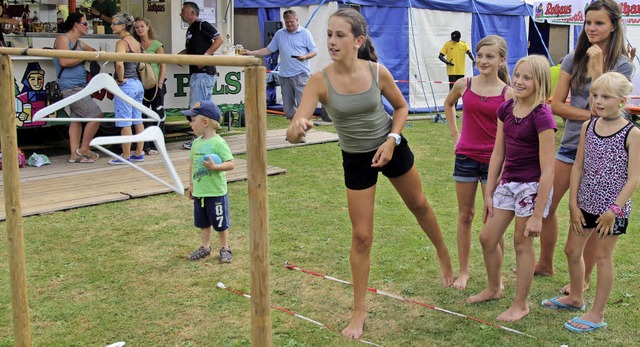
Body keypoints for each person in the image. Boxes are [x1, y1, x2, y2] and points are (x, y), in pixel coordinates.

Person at [286, 8, 454, 339]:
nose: (331, 41)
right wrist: (297, 128)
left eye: (340, 35)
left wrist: (392, 140)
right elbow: (294, 132)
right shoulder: (319, 81)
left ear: (358, 41)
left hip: (390, 146)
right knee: (362, 235)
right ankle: (359, 310)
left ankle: (443, 255)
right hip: (356, 158)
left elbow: (401, 107)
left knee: (420, 206)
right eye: (330, 34)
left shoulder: (377, 72)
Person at [538, 0, 634, 291]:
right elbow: (556, 104)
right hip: (570, 147)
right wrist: (589, 115)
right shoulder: (571, 58)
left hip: (605, 152)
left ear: (613, 26)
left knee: (591, 216)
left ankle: (584, 278)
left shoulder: (623, 65)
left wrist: (596, 68)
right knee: (546, 205)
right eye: (588, 22)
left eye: (599, 23)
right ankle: (545, 262)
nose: (592, 28)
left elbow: (606, 103)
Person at [541, 72, 640, 332]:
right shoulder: (589, 127)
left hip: (612, 211)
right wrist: (573, 204)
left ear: (621, 100)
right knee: (572, 251)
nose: (597, 101)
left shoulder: (633, 134)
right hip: (584, 204)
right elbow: (578, 167)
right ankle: (576, 297)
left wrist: (613, 211)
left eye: (605, 97)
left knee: (602, 257)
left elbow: (634, 179)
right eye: (594, 95)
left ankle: (597, 313)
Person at [466, 55, 556, 322]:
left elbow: (548, 169)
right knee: (487, 238)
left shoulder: (542, 116)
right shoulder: (506, 109)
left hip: (532, 186)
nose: (519, 81)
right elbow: (497, 153)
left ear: (539, 82)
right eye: (517, 75)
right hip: (508, 183)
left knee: (521, 242)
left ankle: (521, 304)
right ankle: (494, 288)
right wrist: (490, 192)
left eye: (527, 77)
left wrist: (539, 214)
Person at [443, 35, 513, 290]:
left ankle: (497, 276)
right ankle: (464, 272)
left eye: (490, 56)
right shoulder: (464, 84)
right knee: (465, 215)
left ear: (501, 60)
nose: (483, 61)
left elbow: (514, 131)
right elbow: (449, 104)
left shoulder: (509, 93)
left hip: (495, 163)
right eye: (480, 56)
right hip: (465, 158)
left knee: (493, 220)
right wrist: (455, 135)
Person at [184, 101, 235, 263]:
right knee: (203, 222)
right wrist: (191, 185)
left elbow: (231, 163)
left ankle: (225, 248)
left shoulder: (219, 143)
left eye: (193, 120)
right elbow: (192, 165)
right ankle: (205, 247)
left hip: (216, 192)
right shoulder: (196, 143)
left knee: (220, 223)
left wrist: (215, 166)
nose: (190, 123)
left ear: (205, 122)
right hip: (200, 192)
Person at [245, 10, 317, 120]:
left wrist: (305, 57)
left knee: (303, 107)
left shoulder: (305, 33)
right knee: (288, 110)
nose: (289, 24)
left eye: (291, 22)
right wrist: (251, 53)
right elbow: (269, 50)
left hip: (301, 74)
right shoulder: (280, 34)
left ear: (297, 20)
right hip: (284, 76)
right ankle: (295, 129)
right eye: (287, 22)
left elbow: (314, 51)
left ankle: (299, 133)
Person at [53, 12, 103, 163]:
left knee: (76, 119)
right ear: (76, 24)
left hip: (80, 85)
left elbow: (93, 52)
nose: (88, 27)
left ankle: (74, 155)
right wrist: (84, 56)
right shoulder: (63, 39)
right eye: (85, 24)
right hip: (70, 86)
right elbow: (64, 61)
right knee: (96, 115)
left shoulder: (79, 43)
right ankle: (84, 148)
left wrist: (90, 54)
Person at [179, 1, 224, 150]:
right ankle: (205, 139)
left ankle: (201, 139)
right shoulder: (190, 29)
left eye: (183, 11)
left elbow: (219, 39)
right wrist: (180, 57)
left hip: (204, 74)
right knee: (198, 107)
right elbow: (191, 49)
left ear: (192, 12)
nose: (180, 14)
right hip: (196, 74)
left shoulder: (201, 24)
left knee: (198, 108)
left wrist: (205, 56)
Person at [108, 12, 144, 165]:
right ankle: (139, 152)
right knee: (138, 119)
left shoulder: (122, 43)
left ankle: (126, 155)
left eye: (114, 23)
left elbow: (119, 63)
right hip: (137, 83)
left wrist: (120, 79)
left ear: (123, 26)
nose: (111, 25)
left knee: (125, 123)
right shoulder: (136, 42)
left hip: (126, 84)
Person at [133, 16, 166, 155]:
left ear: (147, 27)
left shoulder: (157, 45)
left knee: (158, 114)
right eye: (137, 27)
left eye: (142, 26)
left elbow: (163, 65)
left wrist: (160, 82)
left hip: (156, 83)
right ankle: (145, 146)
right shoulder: (135, 45)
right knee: (142, 115)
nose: (140, 29)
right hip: (141, 84)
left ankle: (158, 144)